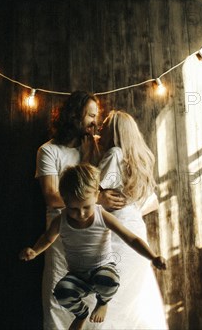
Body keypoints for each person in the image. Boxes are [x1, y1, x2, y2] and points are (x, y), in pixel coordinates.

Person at [21, 164, 166, 330]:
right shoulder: (61, 220)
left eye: (86, 207)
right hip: (78, 276)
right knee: (61, 292)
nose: (81, 214)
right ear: (65, 201)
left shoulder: (101, 216)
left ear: (97, 196)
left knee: (110, 280)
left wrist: (153, 257)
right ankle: (81, 314)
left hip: (101, 268)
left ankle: (103, 302)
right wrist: (34, 251)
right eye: (74, 209)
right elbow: (47, 239)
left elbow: (131, 238)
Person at [35, 91, 125, 330]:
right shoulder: (48, 150)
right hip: (60, 230)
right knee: (58, 290)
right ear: (76, 115)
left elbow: (103, 182)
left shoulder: (95, 148)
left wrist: (88, 158)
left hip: (93, 230)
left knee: (99, 289)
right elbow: (52, 197)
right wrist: (97, 200)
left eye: (97, 116)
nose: (95, 122)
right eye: (91, 115)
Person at [95, 110, 169, 329]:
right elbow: (148, 200)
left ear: (115, 130)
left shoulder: (115, 154)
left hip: (116, 230)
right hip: (136, 227)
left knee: (109, 296)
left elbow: (91, 192)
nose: (100, 128)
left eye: (105, 125)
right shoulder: (140, 159)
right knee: (133, 294)